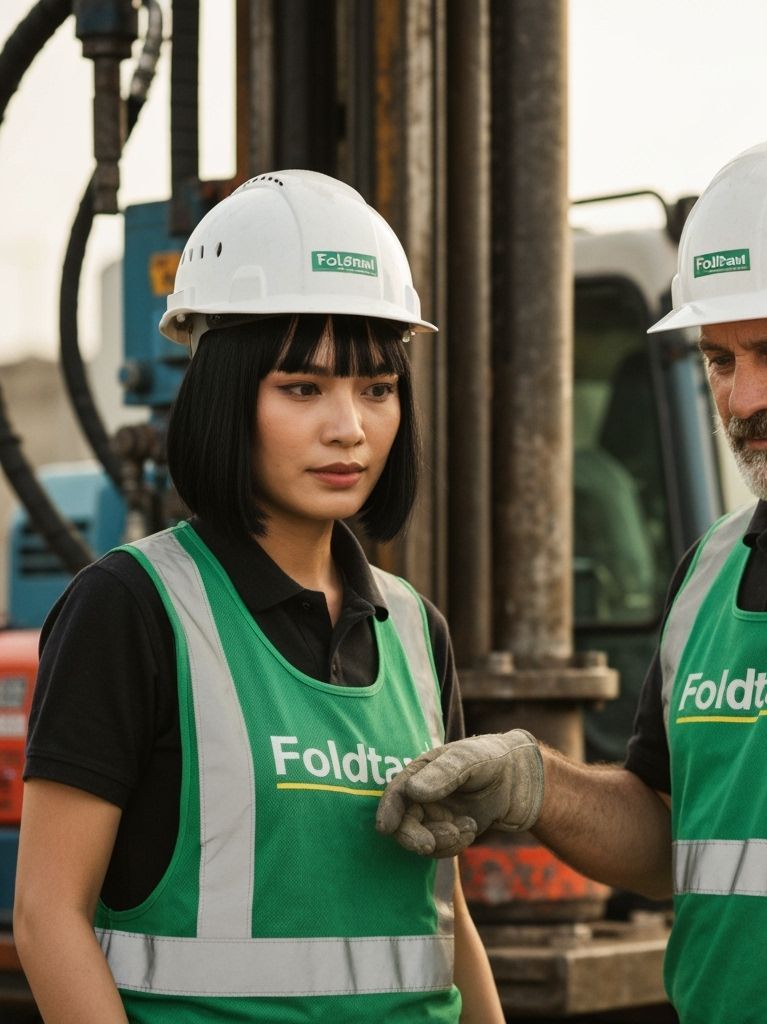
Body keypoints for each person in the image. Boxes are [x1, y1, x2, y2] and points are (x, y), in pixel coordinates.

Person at [375, 137, 767, 1023]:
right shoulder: (716, 566)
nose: (743, 398)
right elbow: (668, 837)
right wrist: (535, 783)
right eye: (720, 360)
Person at [14, 170, 504, 1023]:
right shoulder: (129, 609)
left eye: (377, 390)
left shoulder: (417, 633)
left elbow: (442, 912)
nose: (348, 425)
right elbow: (46, 916)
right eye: (302, 388)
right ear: (224, 400)